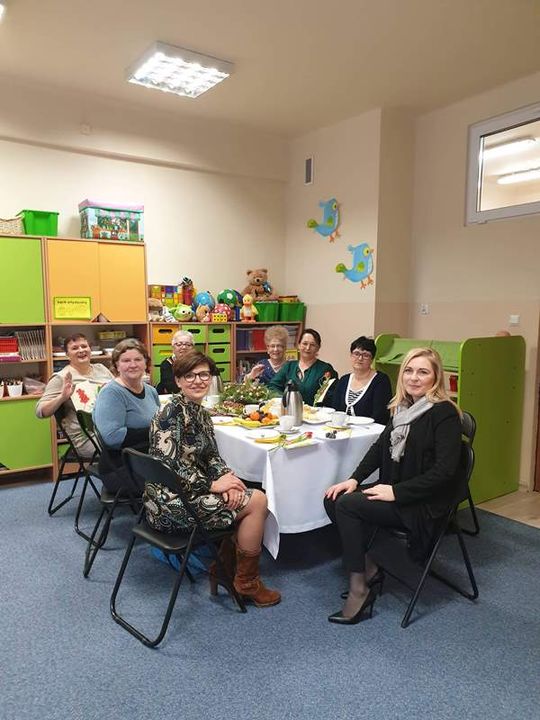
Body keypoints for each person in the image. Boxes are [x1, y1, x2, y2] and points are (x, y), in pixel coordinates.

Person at [323, 347, 462, 625]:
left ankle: (359, 589)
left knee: (348, 506)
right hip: (396, 489)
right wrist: (354, 479)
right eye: (408, 370)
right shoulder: (403, 408)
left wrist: (395, 492)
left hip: (421, 503)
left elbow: (445, 472)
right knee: (334, 497)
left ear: (436, 377)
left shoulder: (444, 413)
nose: (413, 377)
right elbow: (380, 448)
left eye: (423, 372)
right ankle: (371, 567)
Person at [145, 351, 281, 608]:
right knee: (257, 501)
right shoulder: (169, 414)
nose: (198, 380)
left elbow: (211, 457)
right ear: (178, 380)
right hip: (168, 504)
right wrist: (213, 485)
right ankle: (245, 582)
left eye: (204, 375)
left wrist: (227, 479)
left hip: (188, 493)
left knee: (243, 493)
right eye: (190, 376)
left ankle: (224, 571)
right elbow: (168, 467)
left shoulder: (200, 413)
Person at [93, 338, 159, 492]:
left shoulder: (151, 391)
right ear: (117, 365)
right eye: (126, 360)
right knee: (182, 480)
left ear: (146, 363)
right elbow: (112, 437)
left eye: (138, 359)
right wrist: (155, 430)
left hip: (147, 459)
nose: (133, 365)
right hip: (120, 468)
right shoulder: (111, 393)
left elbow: (158, 422)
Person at [36, 333, 113, 457]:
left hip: (111, 426)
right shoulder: (62, 377)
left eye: (84, 346)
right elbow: (40, 412)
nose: (81, 350)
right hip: (86, 436)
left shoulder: (101, 369)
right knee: (124, 448)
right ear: (67, 355)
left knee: (139, 439)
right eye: (75, 348)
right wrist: (62, 397)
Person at [325, 336, 392, 424]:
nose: (360, 358)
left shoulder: (381, 381)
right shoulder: (344, 380)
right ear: (351, 355)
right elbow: (335, 410)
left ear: (372, 359)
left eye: (366, 355)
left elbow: (380, 416)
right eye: (356, 354)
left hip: (369, 430)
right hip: (342, 429)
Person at [267, 328, 337, 405]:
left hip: (315, 412)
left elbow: (332, 396)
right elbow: (273, 387)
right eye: (305, 344)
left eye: (312, 345)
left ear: (318, 348)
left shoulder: (325, 369)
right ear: (299, 345)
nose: (308, 348)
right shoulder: (289, 366)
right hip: (290, 410)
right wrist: (285, 399)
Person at [156, 330, 195, 394]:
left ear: (193, 348)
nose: (184, 347)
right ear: (173, 347)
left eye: (188, 345)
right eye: (179, 344)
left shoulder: (197, 363)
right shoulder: (167, 364)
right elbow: (172, 388)